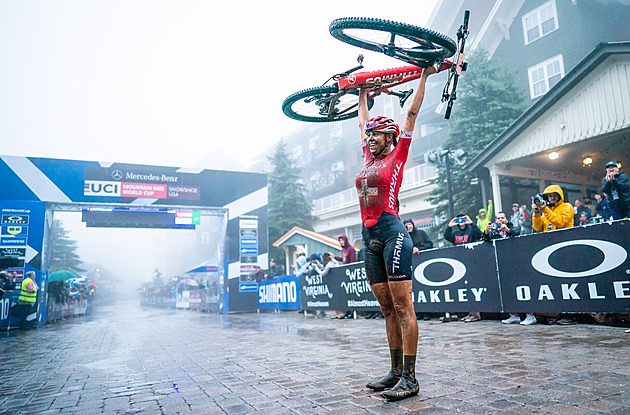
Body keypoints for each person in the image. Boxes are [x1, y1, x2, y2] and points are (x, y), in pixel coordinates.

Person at [356, 64, 437, 401]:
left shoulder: (397, 155)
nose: (369, 139)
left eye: (375, 135)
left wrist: (425, 76)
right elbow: (362, 121)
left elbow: (412, 114)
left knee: (404, 308)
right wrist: (361, 91)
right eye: (368, 135)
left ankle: (411, 377)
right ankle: (394, 372)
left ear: (389, 137)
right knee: (388, 310)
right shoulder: (367, 155)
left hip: (392, 231)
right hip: (368, 237)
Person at [531, 185, 575, 325]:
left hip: (566, 248)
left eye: (554, 195)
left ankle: (570, 314)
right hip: (550, 250)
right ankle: (558, 313)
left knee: (568, 281)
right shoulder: (545, 211)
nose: (552, 198)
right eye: (549, 196)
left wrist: (545, 210)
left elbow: (560, 222)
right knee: (555, 282)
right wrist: (537, 213)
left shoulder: (567, 207)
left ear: (560, 196)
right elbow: (538, 228)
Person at [444, 213, 483, 322]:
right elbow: (447, 236)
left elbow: (479, 235)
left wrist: (471, 223)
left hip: (472, 261)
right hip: (460, 262)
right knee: (465, 289)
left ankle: (476, 314)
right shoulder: (455, 233)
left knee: (473, 287)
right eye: (459, 220)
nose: (461, 222)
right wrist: (450, 225)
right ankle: (469, 313)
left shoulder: (471, 230)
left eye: (463, 219)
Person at [403, 218, 433, 321]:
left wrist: (419, 249)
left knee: (424, 289)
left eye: (410, 224)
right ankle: (418, 312)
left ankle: (427, 312)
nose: (409, 226)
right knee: (413, 290)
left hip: (423, 264)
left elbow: (430, 244)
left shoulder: (421, 233)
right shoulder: (403, 238)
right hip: (410, 266)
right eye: (406, 225)